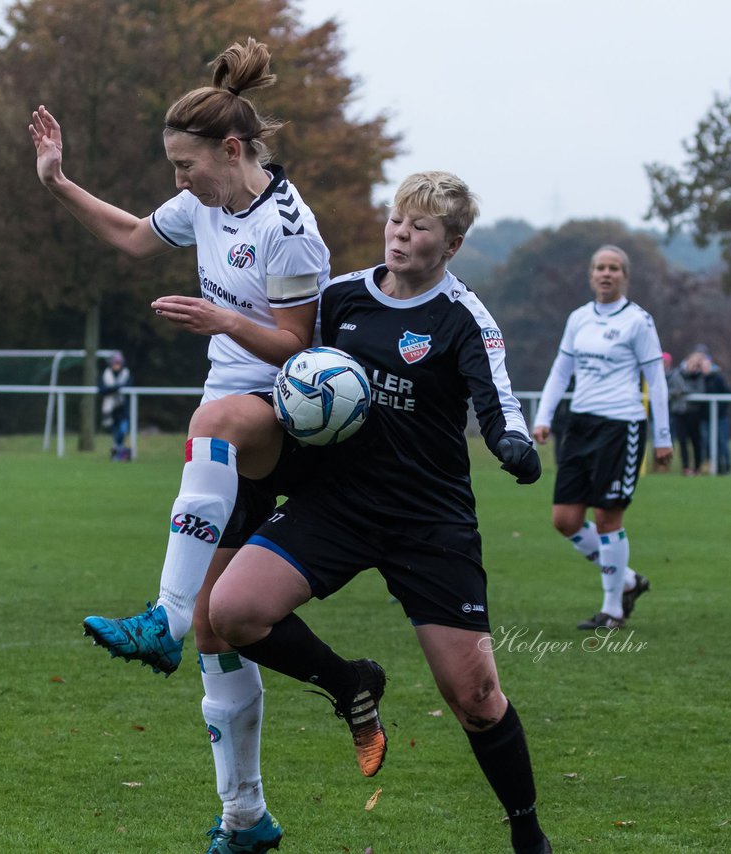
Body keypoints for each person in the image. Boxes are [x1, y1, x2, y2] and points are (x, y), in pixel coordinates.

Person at [31, 38, 330, 852]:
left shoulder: (290, 229)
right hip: (227, 434)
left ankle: (159, 618)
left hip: (279, 418)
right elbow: (133, 238)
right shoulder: (205, 204)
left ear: (231, 152)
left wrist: (226, 320)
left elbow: (298, 349)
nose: (178, 182)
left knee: (210, 424)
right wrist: (59, 184)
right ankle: (245, 818)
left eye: (186, 165)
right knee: (217, 629)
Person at [209, 172, 551, 854]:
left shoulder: (462, 317)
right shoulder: (340, 298)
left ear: (450, 244)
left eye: (420, 227)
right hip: (336, 503)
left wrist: (511, 440)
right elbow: (295, 365)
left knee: (476, 698)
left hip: (428, 520)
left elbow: (498, 397)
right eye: (397, 220)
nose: (402, 234)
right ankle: (349, 682)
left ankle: (527, 834)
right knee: (231, 611)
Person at [530, 245, 672, 630]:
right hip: (579, 425)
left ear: (625, 276)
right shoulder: (578, 319)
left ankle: (612, 608)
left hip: (620, 426)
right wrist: (543, 417)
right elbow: (561, 371)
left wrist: (663, 437)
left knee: (607, 518)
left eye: (613, 268)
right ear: (591, 274)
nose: (606, 274)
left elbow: (655, 381)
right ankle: (627, 580)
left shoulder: (638, 321)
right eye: (599, 268)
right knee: (565, 520)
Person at [669, 351, 708, 475]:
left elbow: (700, 391)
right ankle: (685, 467)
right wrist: (675, 392)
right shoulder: (677, 374)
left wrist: (684, 391)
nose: (696, 368)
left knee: (696, 441)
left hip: (693, 412)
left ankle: (697, 468)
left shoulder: (699, 377)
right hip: (679, 412)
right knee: (682, 441)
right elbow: (669, 388)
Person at [699, 349, 731, 474]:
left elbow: (728, 394)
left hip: (720, 417)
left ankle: (727, 466)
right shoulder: (699, 379)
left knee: (722, 442)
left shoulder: (717, 378)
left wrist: (720, 409)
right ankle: (713, 466)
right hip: (705, 417)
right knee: (706, 443)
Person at [98, 352, 132, 461]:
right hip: (110, 409)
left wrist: (113, 388)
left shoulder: (126, 373)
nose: (117, 365)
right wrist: (117, 387)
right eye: (115, 363)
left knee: (123, 430)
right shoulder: (105, 374)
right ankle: (119, 453)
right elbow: (102, 389)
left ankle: (118, 452)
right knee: (115, 432)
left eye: (119, 363)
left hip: (123, 408)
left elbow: (129, 385)